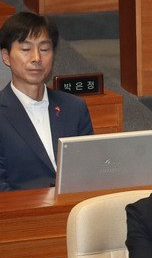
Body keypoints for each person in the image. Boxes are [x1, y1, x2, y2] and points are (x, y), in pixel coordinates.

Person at [0, 12, 93, 191]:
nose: (37, 58)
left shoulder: (74, 107)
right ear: (6, 56)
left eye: (44, 49)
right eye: (26, 49)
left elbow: (89, 169)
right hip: (22, 214)